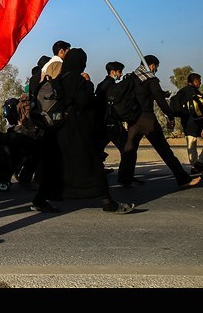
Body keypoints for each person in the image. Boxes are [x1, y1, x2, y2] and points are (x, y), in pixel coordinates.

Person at [30, 48, 134, 214]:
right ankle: (108, 202)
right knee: (93, 165)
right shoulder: (77, 81)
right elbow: (83, 102)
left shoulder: (60, 79)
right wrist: (88, 84)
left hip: (55, 133)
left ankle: (40, 200)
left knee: (54, 168)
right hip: (74, 132)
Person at [117, 55, 201, 190]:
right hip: (147, 119)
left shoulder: (132, 77)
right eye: (156, 66)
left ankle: (124, 178)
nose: (156, 69)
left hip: (133, 119)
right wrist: (170, 115)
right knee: (164, 150)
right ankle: (183, 179)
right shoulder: (151, 79)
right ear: (151, 65)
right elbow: (160, 100)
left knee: (129, 149)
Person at [94, 61, 126, 164]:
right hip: (111, 121)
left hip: (102, 122)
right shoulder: (112, 86)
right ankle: (125, 175)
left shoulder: (101, 85)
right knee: (126, 148)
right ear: (113, 72)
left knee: (98, 147)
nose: (121, 74)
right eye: (119, 72)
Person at [173, 73, 203, 175]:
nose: (200, 83)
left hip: (186, 122)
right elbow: (199, 109)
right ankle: (199, 163)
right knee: (192, 144)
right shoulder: (195, 92)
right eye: (199, 81)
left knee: (191, 145)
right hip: (197, 122)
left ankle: (195, 166)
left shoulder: (181, 92)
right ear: (194, 81)